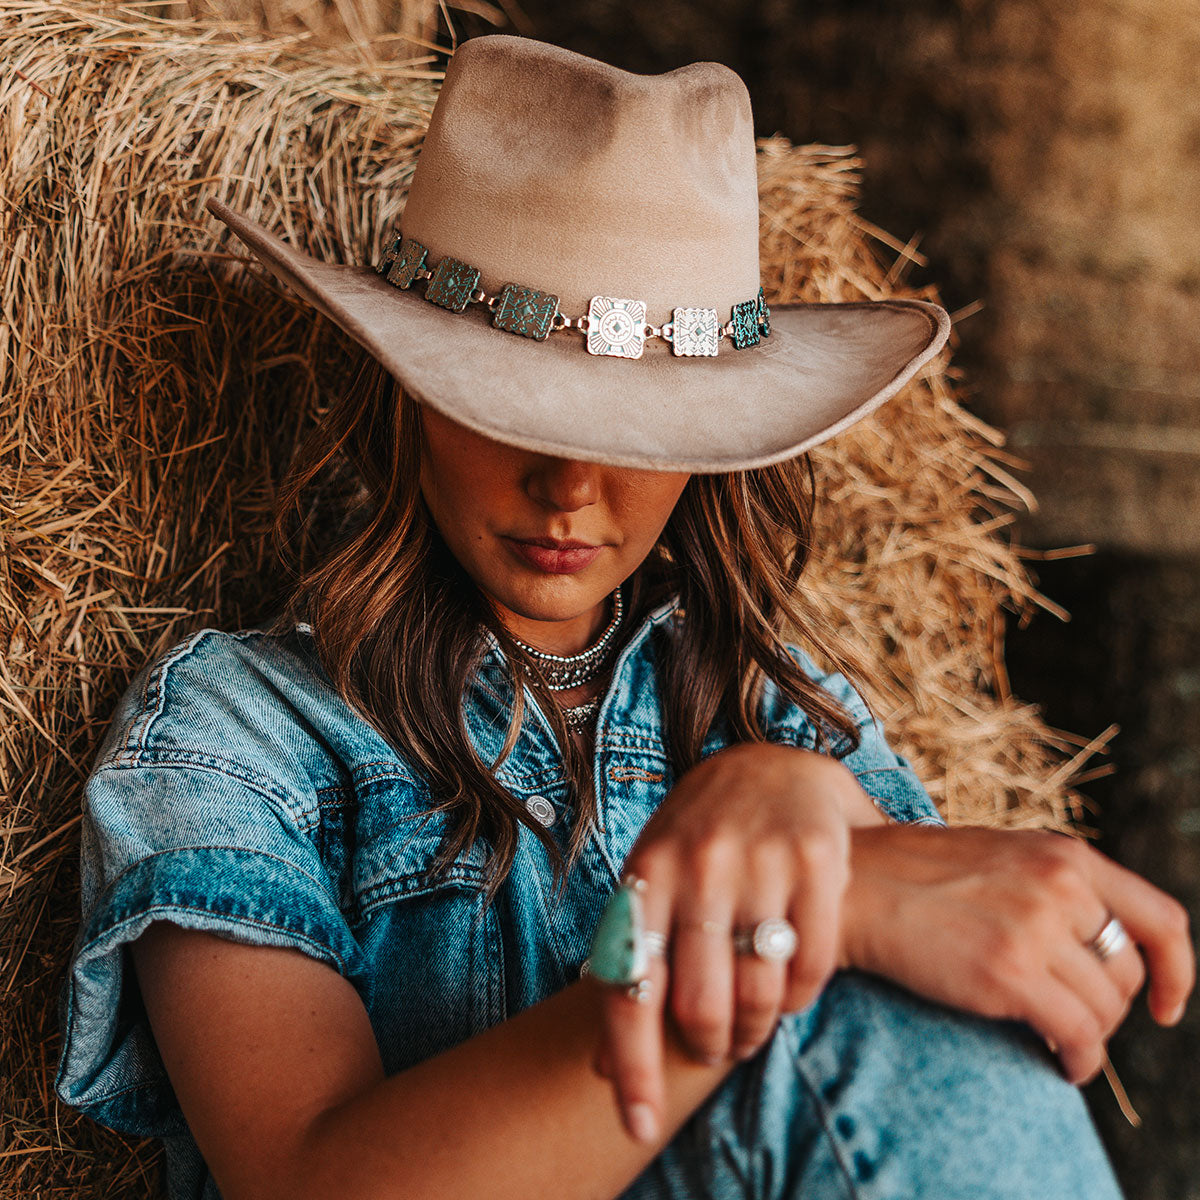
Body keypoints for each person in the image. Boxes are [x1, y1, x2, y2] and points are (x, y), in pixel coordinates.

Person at [55, 33, 1192, 1200]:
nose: (570, 485)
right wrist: (785, 925)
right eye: (507, 407)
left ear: (710, 452)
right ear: (408, 400)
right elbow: (305, 1182)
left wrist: (790, 801)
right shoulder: (237, 737)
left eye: (634, 431)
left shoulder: (786, 713)